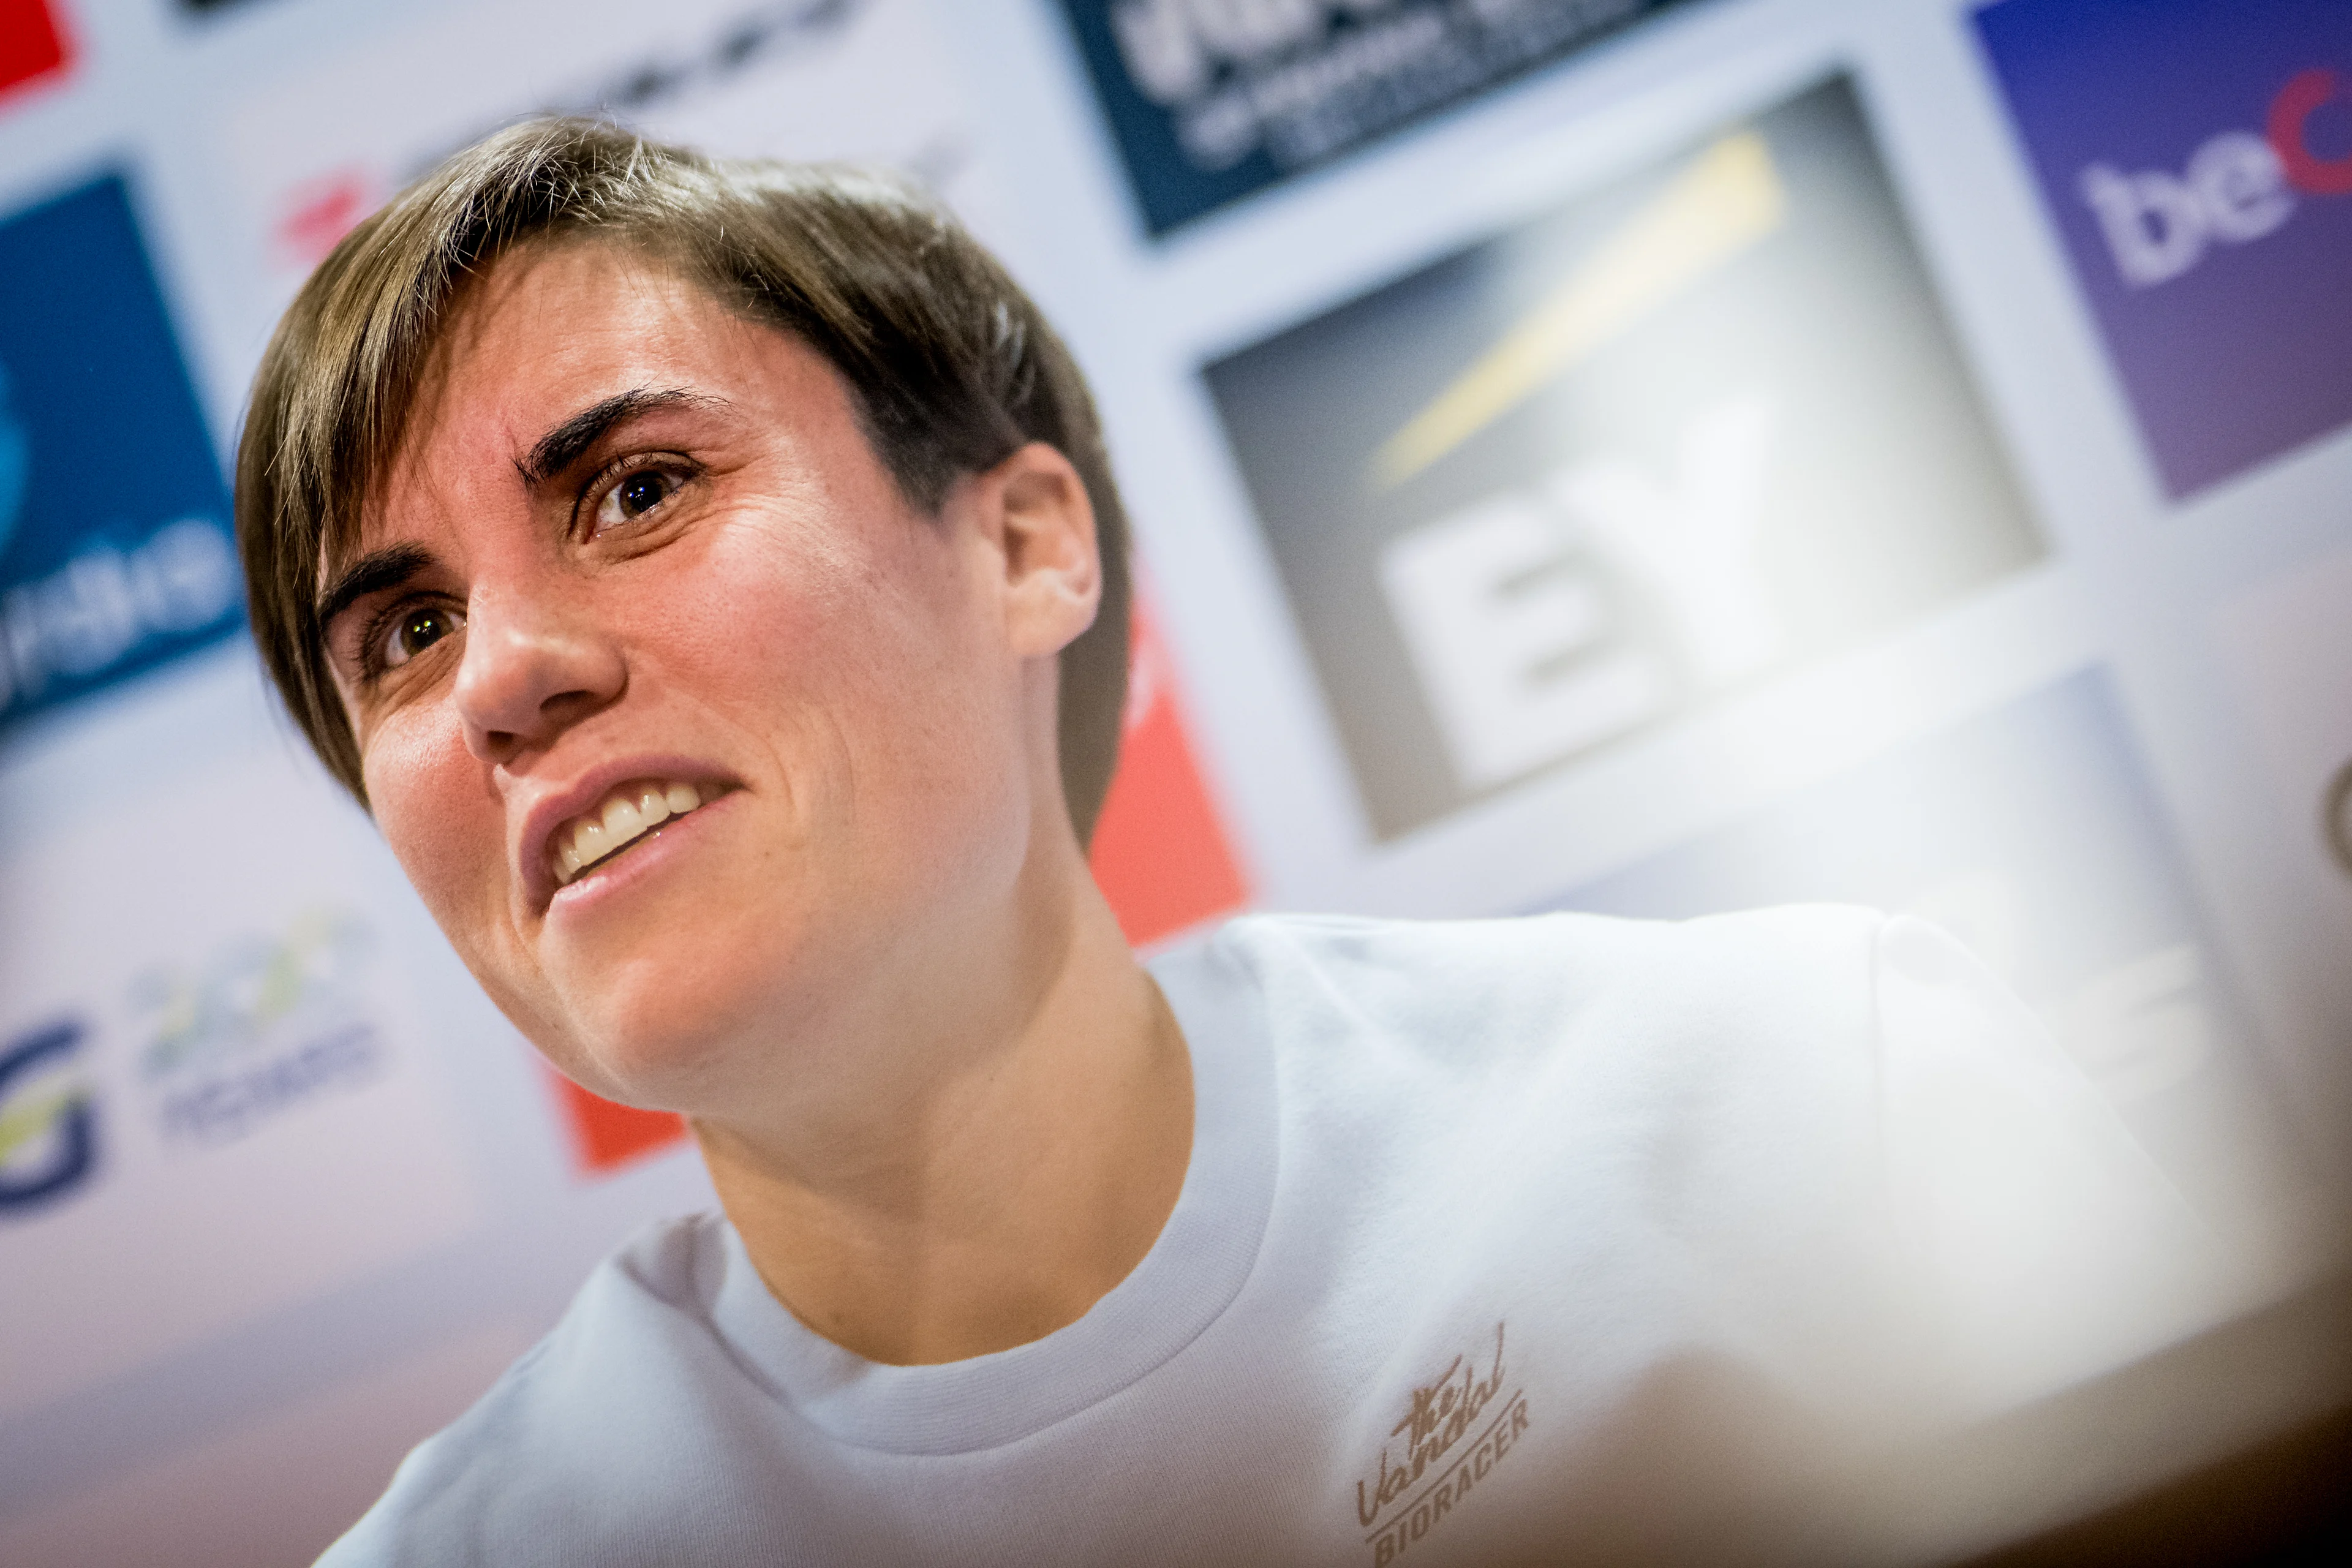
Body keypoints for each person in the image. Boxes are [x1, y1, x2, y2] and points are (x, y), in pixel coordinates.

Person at [235, 117, 2227, 1567]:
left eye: (640, 488)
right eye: (400, 634)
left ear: (1022, 545)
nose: (502, 675)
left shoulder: (1798, 1085)